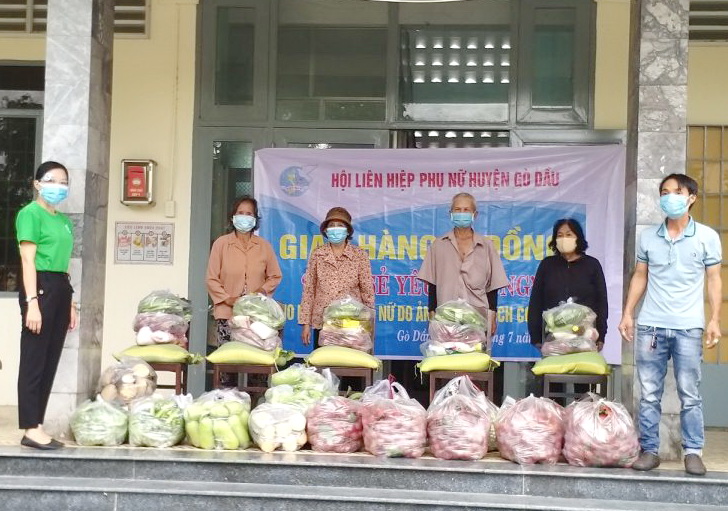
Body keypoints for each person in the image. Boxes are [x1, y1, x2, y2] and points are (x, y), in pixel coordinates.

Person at [619, 173, 722, 476]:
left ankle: (693, 452)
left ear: (691, 198)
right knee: (649, 393)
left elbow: (714, 279)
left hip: (689, 327)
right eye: (664, 192)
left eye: (676, 192)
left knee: (690, 393)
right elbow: (640, 275)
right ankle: (649, 451)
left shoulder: (706, 237)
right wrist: (628, 313)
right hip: (651, 326)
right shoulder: (649, 236)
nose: (669, 197)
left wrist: (715, 319)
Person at [16, 161, 76, 450]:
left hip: (60, 287)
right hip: (39, 287)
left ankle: (37, 425)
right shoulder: (30, 213)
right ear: (37, 184)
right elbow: (28, 261)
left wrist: (71, 302)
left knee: (50, 359)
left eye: (64, 182)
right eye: (52, 180)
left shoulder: (64, 220)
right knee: (34, 359)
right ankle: (30, 427)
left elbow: (65, 264)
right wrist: (32, 302)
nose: (59, 186)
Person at [418, 192, 508, 343]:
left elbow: (492, 287)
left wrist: (492, 316)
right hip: (445, 319)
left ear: (475, 214)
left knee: (475, 356)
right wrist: (432, 314)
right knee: (447, 357)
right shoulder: (438, 245)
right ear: (451, 214)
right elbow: (433, 285)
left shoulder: (486, 245)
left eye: (466, 210)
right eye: (457, 209)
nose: (462, 213)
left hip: (478, 317)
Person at [206, 196, 282, 353]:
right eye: (240, 213)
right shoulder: (221, 244)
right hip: (227, 314)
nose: (244, 217)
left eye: (249, 214)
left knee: (255, 361)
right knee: (228, 360)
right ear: (233, 217)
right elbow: (211, 279)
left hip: (257, 316)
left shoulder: (264, 246)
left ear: (255, 219)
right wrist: (227, 299)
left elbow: (275, 276)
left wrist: (262, 291)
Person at [528, 218, 608, 351]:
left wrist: (601, 336)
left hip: (586, 335)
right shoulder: (547, 265)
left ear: (578, 238)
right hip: (553, 336)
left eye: (569, 234)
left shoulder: (592, 265)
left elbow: (602, 302)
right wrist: (536, 337)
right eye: (560, 235)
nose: (564, 239)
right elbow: (536, 302)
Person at [300, 207, 374, 346]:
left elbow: (367, 291)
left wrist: (368, 323)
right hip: (323, 322)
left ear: (348, 231)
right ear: (326, 230)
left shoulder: (359, 255)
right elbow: (309, 290)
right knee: (324, 359)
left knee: (348, 359)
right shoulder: (318, 254)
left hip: (352, 321)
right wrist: (306, 324)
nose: (335, 229)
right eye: (332, 225)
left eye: (340, 225)